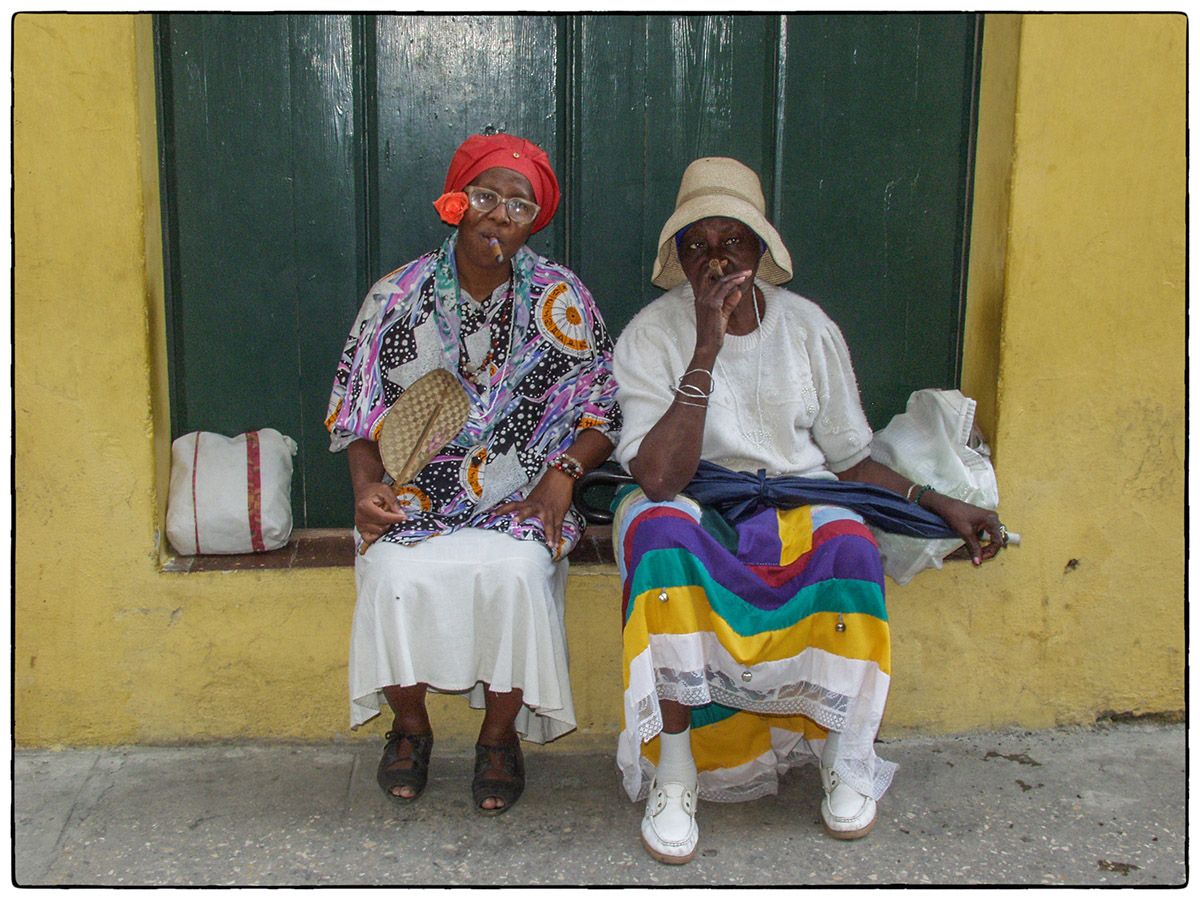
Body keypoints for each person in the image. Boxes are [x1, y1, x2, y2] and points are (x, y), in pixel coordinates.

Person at [611, 157, 1004, 863]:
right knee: (660, 540)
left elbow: (851, 459)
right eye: (698, 244)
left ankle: (841, 752)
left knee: (850, 545)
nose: (717, 258)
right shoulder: (651, 335)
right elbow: (660, 478)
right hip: (695, 499)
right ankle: (675, 770)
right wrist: (706, 344)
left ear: (762, 251)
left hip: (797, 493)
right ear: (680, 258)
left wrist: (943, 503)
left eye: (734, 241)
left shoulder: (807, 327)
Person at [325, 133, 621, 814]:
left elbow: (603, 405)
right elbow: (355, 411)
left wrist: (562, 478)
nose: (498, 216)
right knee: (396, 574)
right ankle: (409, 725)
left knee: (516, 573)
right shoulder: (397, 294)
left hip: (522, 495)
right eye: (486, 196)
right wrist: (366, 489)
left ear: (532, 222)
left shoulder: (560, 294)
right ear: (457, 202)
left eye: (519, 206)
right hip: (414, 492)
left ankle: (497, 736)